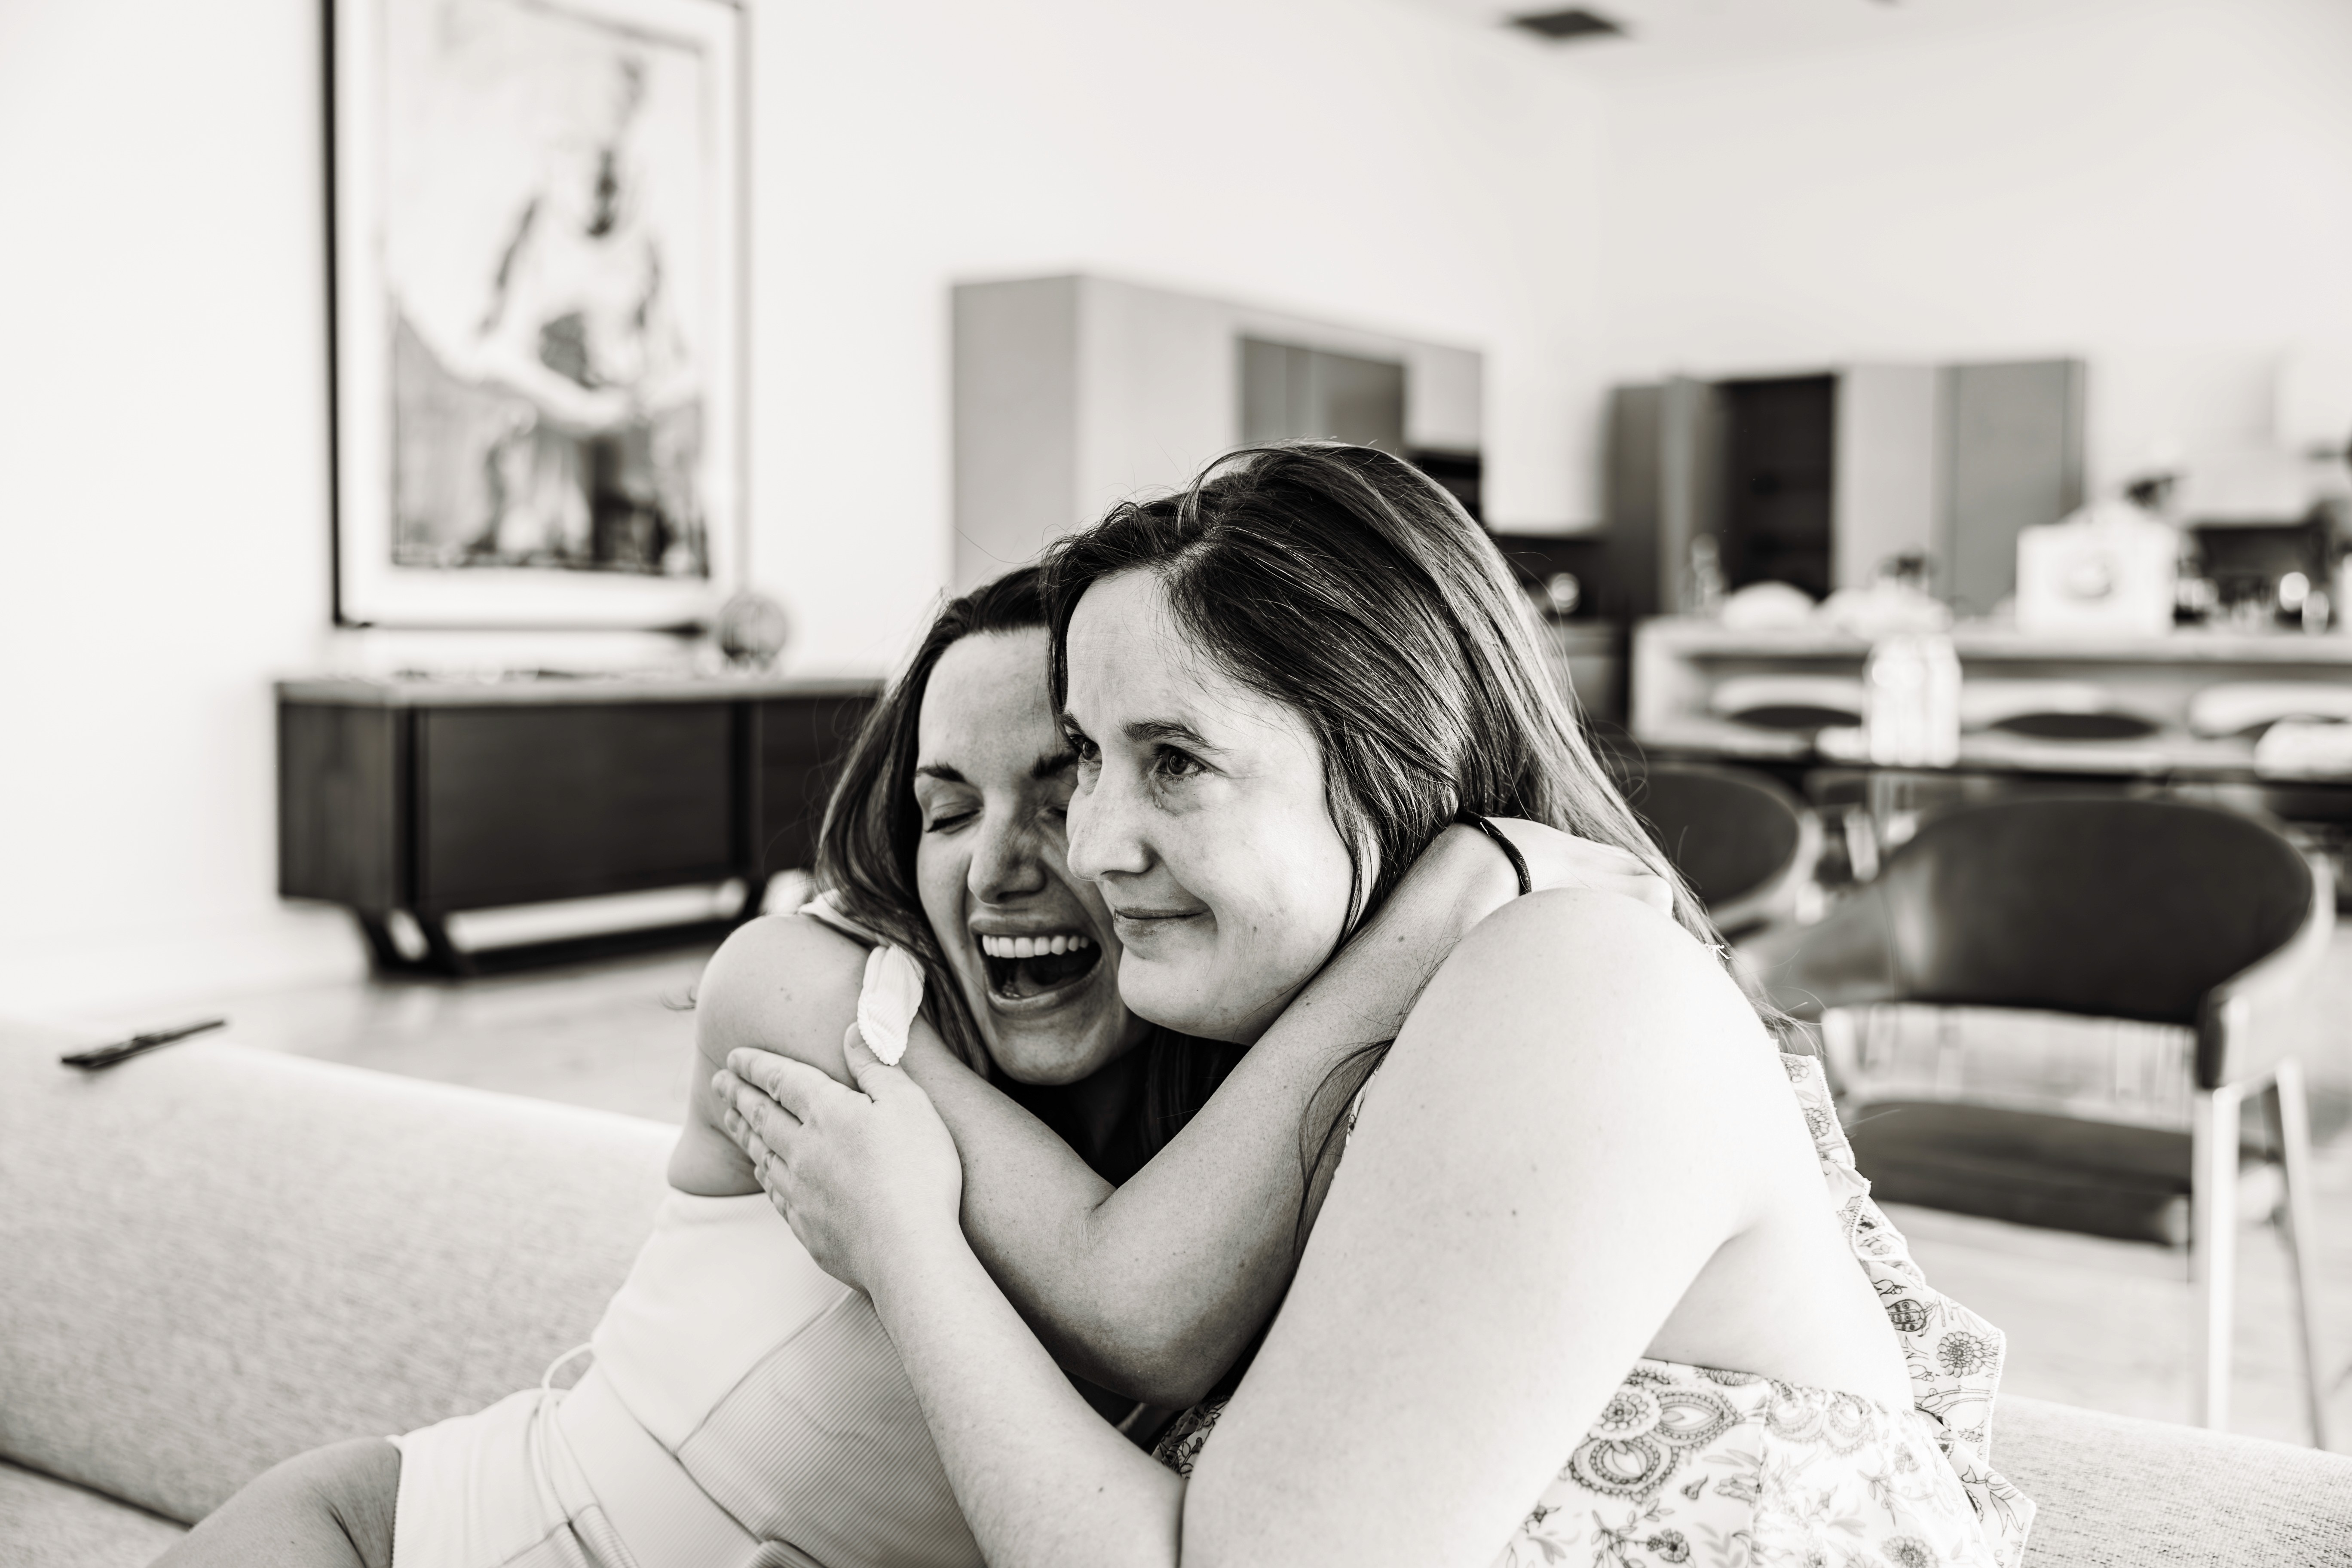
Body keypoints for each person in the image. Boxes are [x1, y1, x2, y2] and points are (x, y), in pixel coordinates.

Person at [157, 563, 1661, 1568]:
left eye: (1073, 791)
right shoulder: (810, 988)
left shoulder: (1252, 1129)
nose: (1004, 868)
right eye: (946, 808)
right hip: (389, 1541)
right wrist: (1445, 906)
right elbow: (1131, 1305)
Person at [715, 443, 2035, 1568]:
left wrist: (911, 1248)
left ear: (1405, 759)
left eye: (1174, 763)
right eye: (1092, 761)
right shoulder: (1278, 1061)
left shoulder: (1578, 988)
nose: (1098, 842)